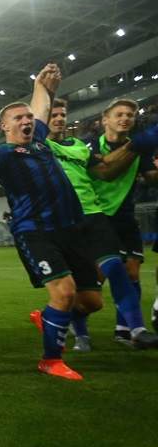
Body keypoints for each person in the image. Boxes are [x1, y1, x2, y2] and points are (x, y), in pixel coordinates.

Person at [0, 65, 158, 381]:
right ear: (4, 125)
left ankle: (47, 317)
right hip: (35, 232)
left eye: (28, 117)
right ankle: (51, 360)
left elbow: (41, 106)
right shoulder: (2, 153)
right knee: (64, 291)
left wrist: (43, 84)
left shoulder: (42, 139)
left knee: (92, 301)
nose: (26, 120)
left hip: (71, 228)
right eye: (18, 118)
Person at [43, 98, 158, 350]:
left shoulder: (79, 147)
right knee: (88, 297)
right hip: (63, 221)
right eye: (54, 114)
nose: (60, 118)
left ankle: (135, 330)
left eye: (63, 114)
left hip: (94, 214)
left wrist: (136, 147)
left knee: (118, 268)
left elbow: (105, 171)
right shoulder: (38, 147)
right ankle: (79, 333)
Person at [84, 99, 158, 344]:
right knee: (97, 278)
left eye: (130, 114)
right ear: (105, 119)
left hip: (125, 215)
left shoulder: (141, 148)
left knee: (132, 271)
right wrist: (136, 146)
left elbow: (150, 177)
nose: (125, 118)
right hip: (97, 216)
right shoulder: (90, 145)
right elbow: (106, 170)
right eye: (119, 114)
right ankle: (74, 320)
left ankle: (124, 330)